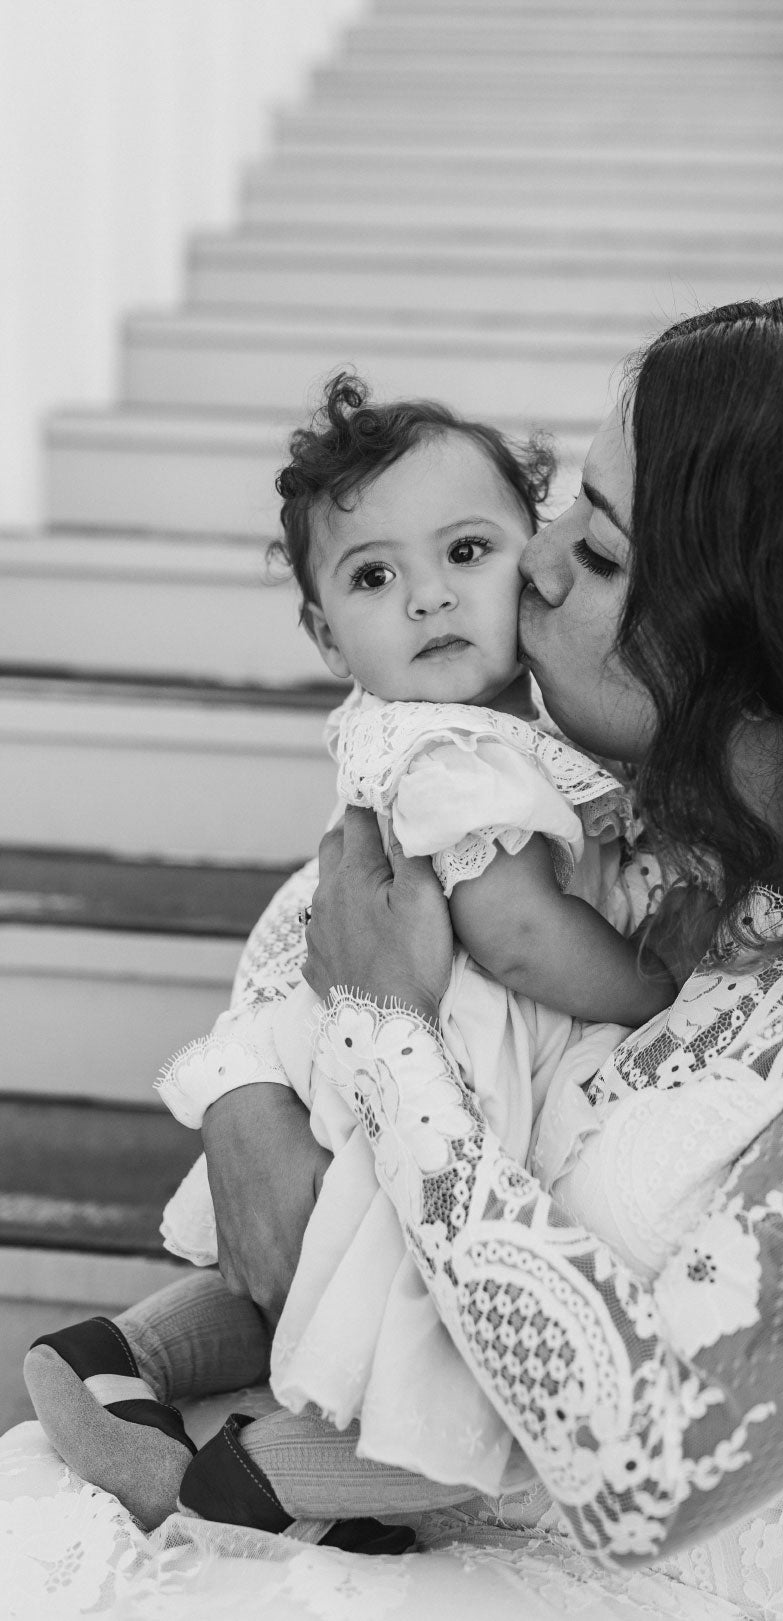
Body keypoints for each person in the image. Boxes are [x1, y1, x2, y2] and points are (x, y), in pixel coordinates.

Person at [4, 294, 783, 1621]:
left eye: (605, 547)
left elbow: (648, 1474)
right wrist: (243, 1093)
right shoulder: (666, 839)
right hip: (457, 1525)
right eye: (567, 502)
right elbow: (331, 903)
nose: (537, 562)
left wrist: (389, 1042)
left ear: (778, 641)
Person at [21, 377, 678, 1542]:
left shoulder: (498, 740)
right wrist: (650, 991)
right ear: (326, 633)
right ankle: (277, 1470)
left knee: (344, 1257)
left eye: (466, 550)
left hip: (385, 1034)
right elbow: (520, 933)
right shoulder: (455, 749)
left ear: (530, 560)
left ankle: (124, 1351)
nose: (428, 595)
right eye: (373, 577)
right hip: (433, 1047)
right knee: (407, 1303)